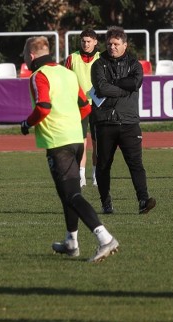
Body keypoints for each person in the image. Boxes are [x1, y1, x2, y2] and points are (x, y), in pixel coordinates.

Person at [19, 36, 119, 263]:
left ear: (31, 56)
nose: (24, 60)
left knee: (72, 195)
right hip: (76, 138)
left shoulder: (39, 76)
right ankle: (71, 241)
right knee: (69, 193)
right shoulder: (68, 73)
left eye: (25, 56)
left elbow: (43, 107)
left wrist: (27, 123)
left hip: (58, 141)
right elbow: (85, 106)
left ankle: (105, 238)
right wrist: (72, 123)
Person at [90, 26, 156, 215]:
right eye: (110, 44)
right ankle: (106, 203)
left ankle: (143, 200)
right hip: (105, 123)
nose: (112, 47)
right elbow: (101, 89)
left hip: (129, 122)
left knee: (136, 164)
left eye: (116, 44)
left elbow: (135, 83)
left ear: (125, 45)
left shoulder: (134, 64)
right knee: (103, 165)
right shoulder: (99, 64)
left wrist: (115, 85)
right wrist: (124, 87)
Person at [64, 28, 101, 188]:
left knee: (98, 142)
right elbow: (64, 80)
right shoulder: (72, 58)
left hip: (99, 105)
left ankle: (96, 174)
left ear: (95, 42)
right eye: (83, 41)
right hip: (79, 106)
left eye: (89, 41)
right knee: (81, 142)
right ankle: (81, 176)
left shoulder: (102, 58)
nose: (86, 44)